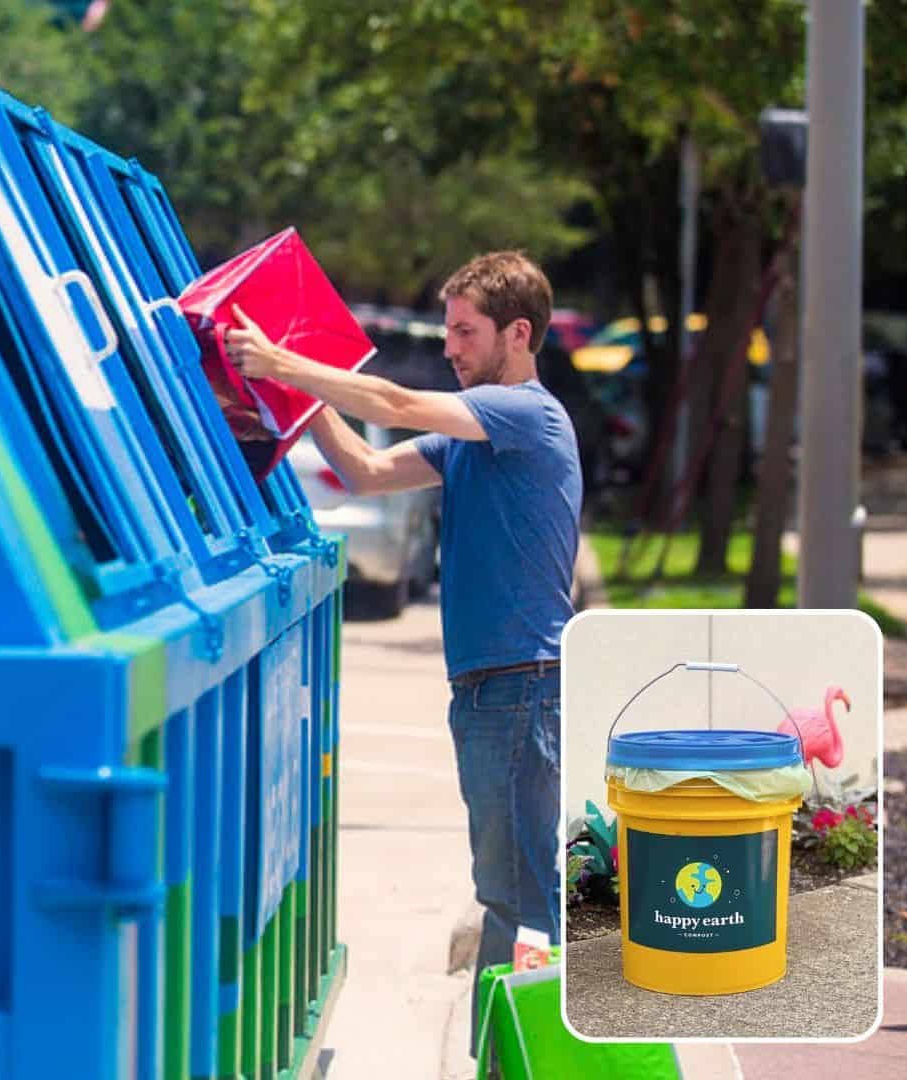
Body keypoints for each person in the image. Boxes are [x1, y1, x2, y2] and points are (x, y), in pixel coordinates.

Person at [226, 250, 581, 1034]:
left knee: (522, 898)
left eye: (464, 331)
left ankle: (537, 1052)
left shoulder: (526, 415)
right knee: (509, 893)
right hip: (495, 690)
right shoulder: (473, 439)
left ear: (517, 334)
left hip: (523, 687)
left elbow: (393, 399)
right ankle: (509, 1050)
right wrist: (296, 389)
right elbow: (363, 471)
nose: (449, 347)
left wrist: (287, 356)